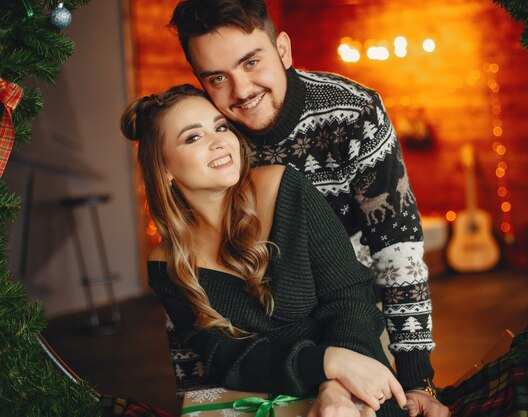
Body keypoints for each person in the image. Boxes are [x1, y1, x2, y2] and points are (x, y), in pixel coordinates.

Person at [169, 1, 449, 416]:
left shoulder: (354, 113)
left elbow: (398, 253)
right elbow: (190, 276)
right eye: (217, 78)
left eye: (251, 62)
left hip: (358, 319)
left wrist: (417, 380)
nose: (241, 90)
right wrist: (198, 398)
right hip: (258, 339)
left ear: (283, 50)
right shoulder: (211, 140)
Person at [120, 84, 413, 416]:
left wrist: (334, 387)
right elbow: (228, 359)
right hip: (267, 403)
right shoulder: (167, 264)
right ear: (165, 168)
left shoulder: (282, 186)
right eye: (193, 137)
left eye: (220, 126)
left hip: (359, 377)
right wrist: (324, 363)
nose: (219, 141)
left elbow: (350, 296)